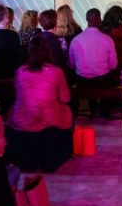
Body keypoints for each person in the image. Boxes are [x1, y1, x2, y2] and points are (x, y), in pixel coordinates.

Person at [6, 39, 74, 173]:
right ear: (48, 52)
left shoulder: (20, 71)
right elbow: (65, 98)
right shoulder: (55, 72)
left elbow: (18, 95)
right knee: (66, 111)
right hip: (49, 121)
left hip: (22, 120)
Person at [69, 8, 119, 88]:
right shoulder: (107, 40)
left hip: (82, 82)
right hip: (102, 81)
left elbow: (72, 65)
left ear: (86, 19)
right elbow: (113, 65)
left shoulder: (75, 40)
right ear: (99, 19)